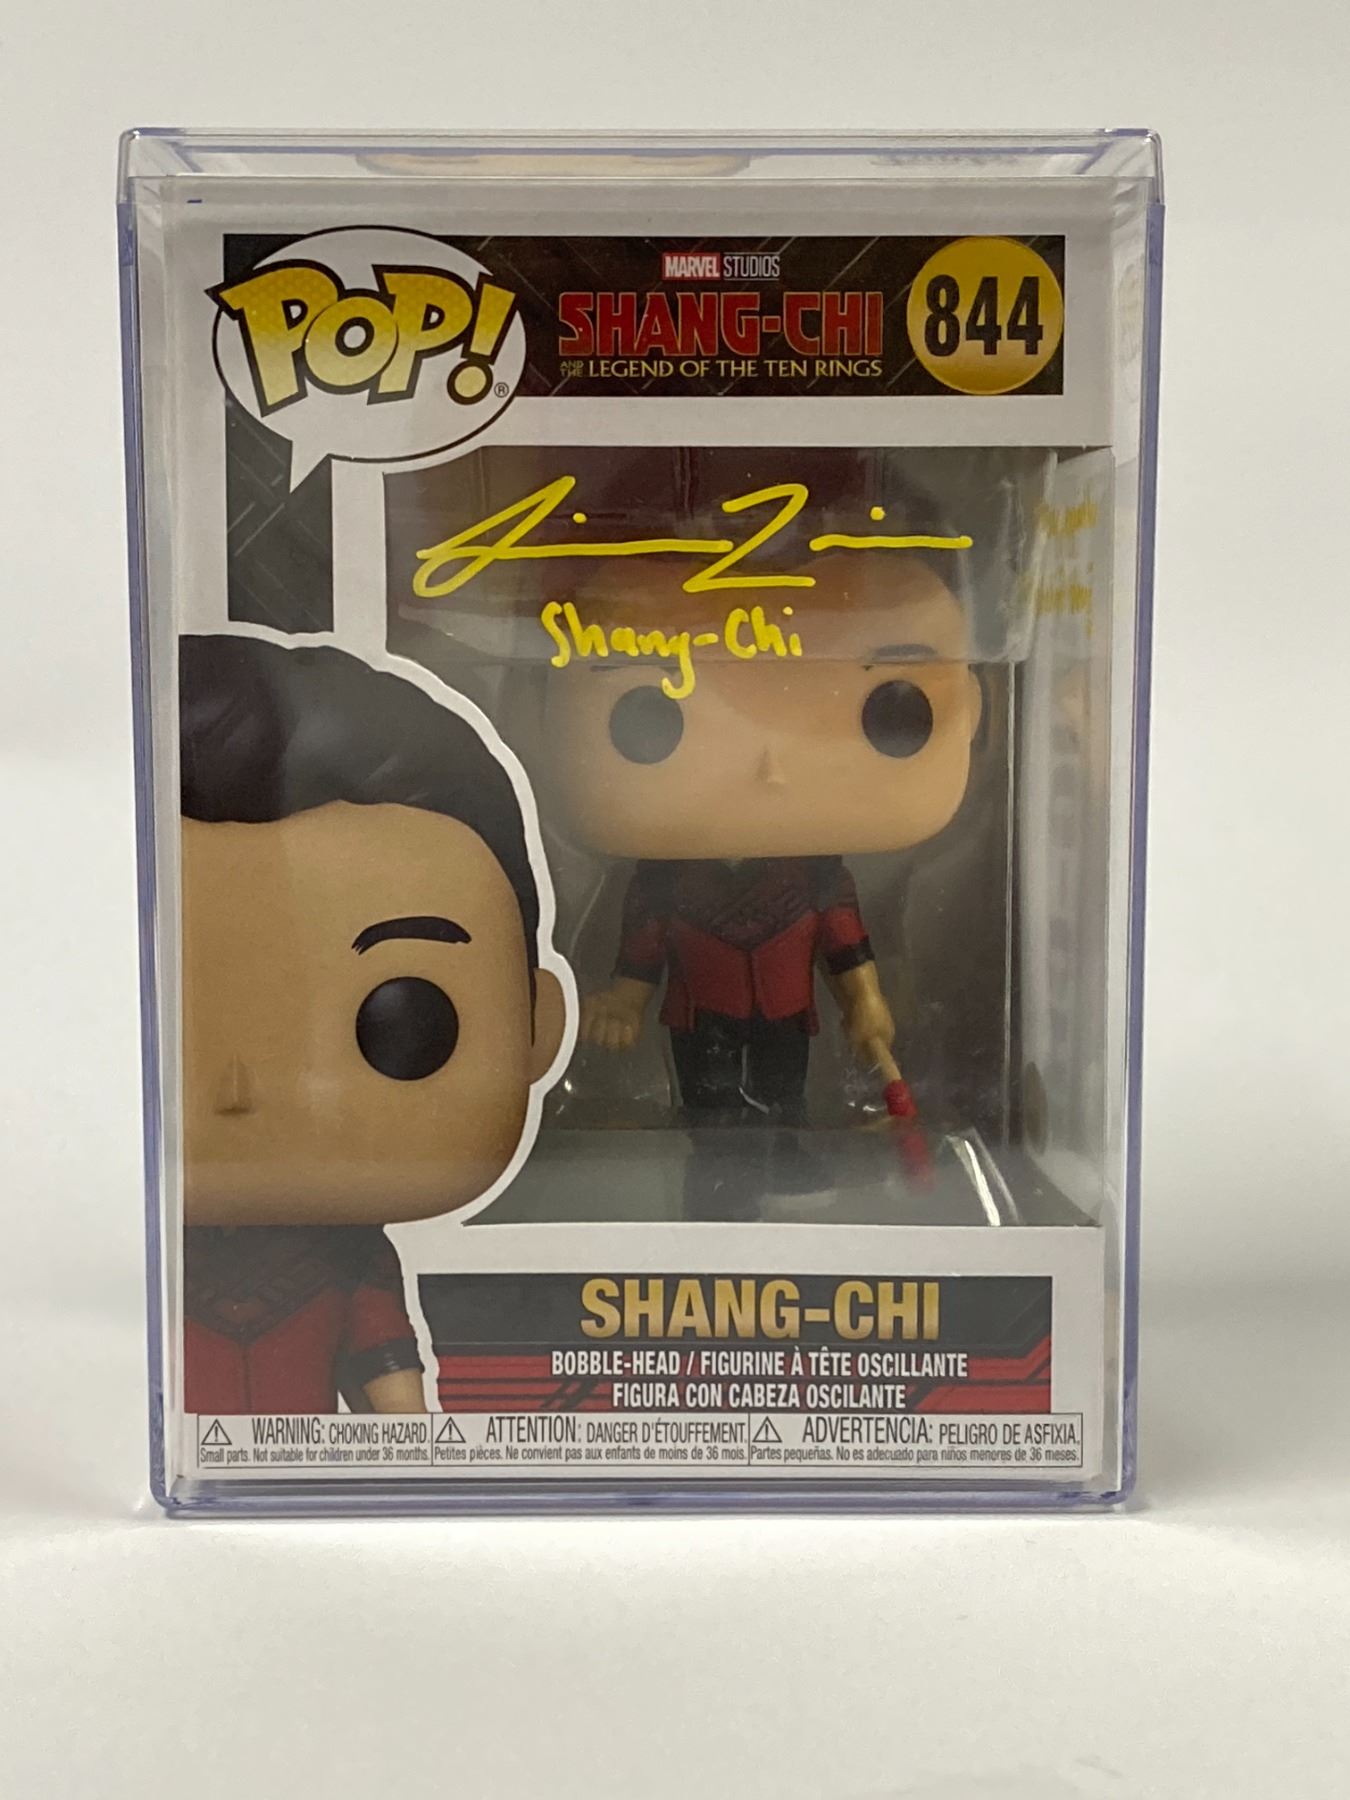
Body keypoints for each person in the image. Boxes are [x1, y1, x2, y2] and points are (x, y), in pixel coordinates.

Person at [178, 632, 567, 1414]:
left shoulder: (350, 1263)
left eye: (404, 1022)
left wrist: (408, 1452)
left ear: (540, 1025)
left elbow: (389, 1375)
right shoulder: (122, 1264)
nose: (236, 1089)